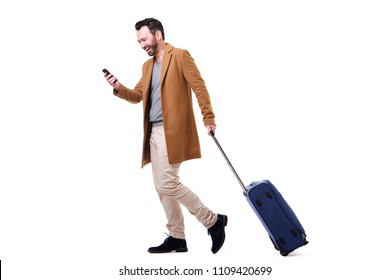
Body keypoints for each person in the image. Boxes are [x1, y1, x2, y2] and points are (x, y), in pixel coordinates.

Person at [103, 18, 227, 254]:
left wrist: (208, 118)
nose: (142, 45)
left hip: (173, 131)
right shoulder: (147, 66)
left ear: (157, 35)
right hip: (152, 132)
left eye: (144, 39)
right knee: (162, 187)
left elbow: (199, 87)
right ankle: (177, 237)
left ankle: (212, 220)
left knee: (168, 182)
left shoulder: (180, 56)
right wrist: (119, 87)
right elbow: (138, 95)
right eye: (139, 41)